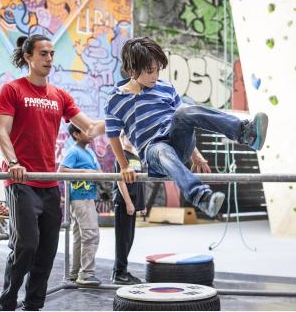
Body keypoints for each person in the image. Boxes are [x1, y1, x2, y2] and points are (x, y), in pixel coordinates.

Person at [0, 34, 105, 311]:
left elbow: (89, 128)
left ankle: (34, 307)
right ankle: (8, 302)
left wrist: (120, 118)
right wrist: (13, 162)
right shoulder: (12, 90)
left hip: (49, 184)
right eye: (43, 53)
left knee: (46, 252)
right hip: (22, 181)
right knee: (26, 246)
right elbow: (1, 131)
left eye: (52, 54)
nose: (49, 59)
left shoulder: (60, 96)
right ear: (28, 57)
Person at [105, 37, 268, 218]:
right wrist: (124, 165)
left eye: (158, 70)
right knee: (161, 149)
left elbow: (184, 118)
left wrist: (196, 156)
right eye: (150, 71)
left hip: (178, 140)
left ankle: (246, 134)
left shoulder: (165, 88)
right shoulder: (116, 99)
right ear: (132, 69)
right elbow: (112, 135)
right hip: (154, 151)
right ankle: (202, 197)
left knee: (184, 111)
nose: (155, 76)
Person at [58, 124, 102, 286]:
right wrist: (85, 172)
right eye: (86, 130)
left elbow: (99, 173)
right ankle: (86, 274)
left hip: (88, 197)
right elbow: (61, 171)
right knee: (91, 235)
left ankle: (75, 273)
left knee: (79, 236)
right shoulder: (73, 151)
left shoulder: (89, 152)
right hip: (79, 198)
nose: (91, 133)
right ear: (76, 134)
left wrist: (97, 175)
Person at [112, 131, 146, 285]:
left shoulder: (135, 156)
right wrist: (128, 202)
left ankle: (123, 270)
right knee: (122, 239)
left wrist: (141, 203)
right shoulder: (122, 156)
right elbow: (120, 181)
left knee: (129, 239)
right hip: (124, 202)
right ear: (122, 138)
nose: (131, 140)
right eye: (128, 137)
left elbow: (140, 181)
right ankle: (118, 273)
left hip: (133, 202)